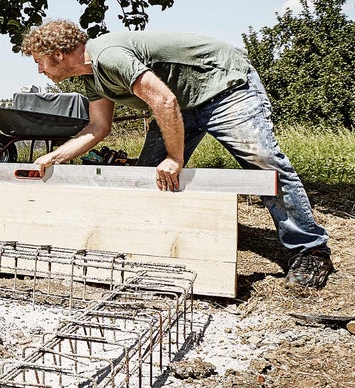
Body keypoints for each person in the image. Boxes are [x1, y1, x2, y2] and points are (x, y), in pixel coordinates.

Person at [21, 20, 333, 289]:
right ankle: (156, 247)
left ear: (58, 55)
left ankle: (310, 250)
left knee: (263, 162)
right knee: (149, 174)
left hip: (224, 87)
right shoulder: (92, 78)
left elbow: (164, 102)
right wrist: (54, 158)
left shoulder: (109, 56)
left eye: (40, 62)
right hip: (180, 104)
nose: (39, 70)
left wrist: (175, 157)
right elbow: (98, 127)